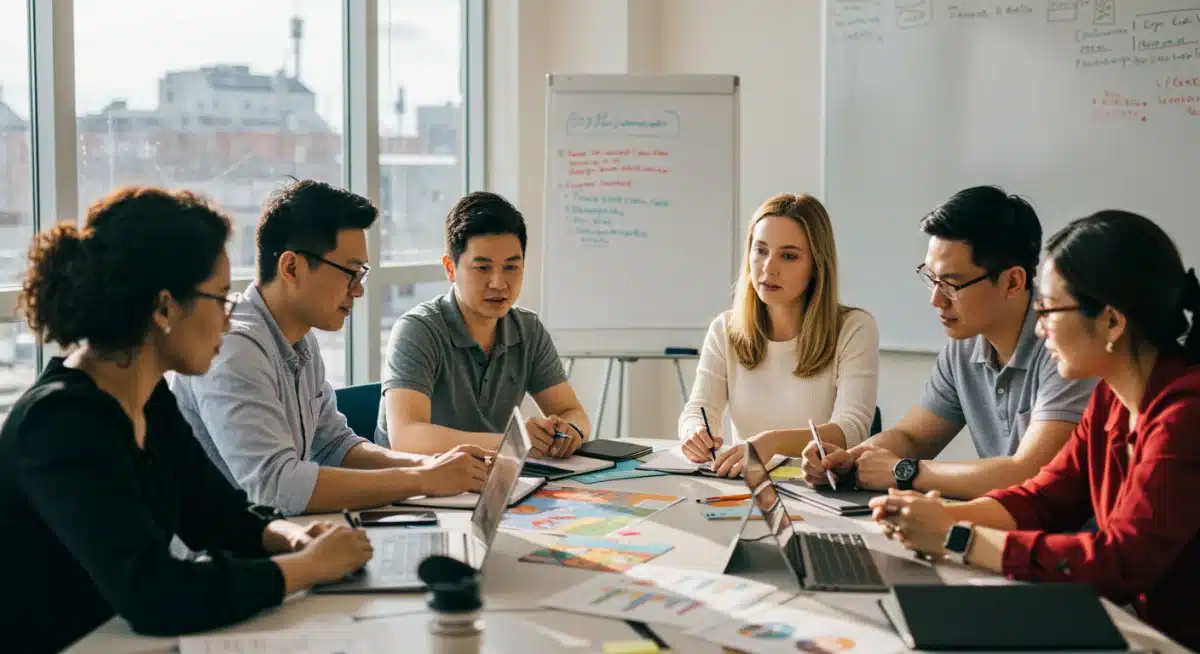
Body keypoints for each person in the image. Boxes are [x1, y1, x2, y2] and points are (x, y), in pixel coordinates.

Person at [0, 188, 373, 654]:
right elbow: (157, 594)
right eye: (220, 298)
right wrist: (310, 566)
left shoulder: (148, 397)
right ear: (163, 308)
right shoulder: (61, 425)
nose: (229, 320)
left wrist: (292, 536)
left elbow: (217, 515)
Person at [870, 210, 1200, 650]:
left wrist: (956, 537)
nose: (1039, 328)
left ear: (1112, 322)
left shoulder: (1186, 413)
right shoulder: (1110, 399)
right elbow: (1044, 497)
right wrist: (936, 516)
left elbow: (1119, 561)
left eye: (1047, 310)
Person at [172, 180, 489, 517]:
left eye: (362, 274)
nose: (358, 291)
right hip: (220, 557)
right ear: (292, 268)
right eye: (350, 273)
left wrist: (439, 466)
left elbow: (335, 446)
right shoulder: (235, 346)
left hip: (276, 537)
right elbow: (274, 487)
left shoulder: (300, 339)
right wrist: (423, 478)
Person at [801, 186, 1096, 499]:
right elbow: (913, 437)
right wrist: (850, 460)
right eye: (932, 279)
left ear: (1012, 281)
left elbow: (1030, 472)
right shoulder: (965, 343)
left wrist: (908, 472)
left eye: (952, 284)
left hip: (1069, 538)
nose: (936, 300)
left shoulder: (1065, 346)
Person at [678, 193, 880, 477]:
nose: (768, 267)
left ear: (816, 265)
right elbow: (698, 409)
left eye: (788, 256)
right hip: (749, 490)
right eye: (760, 250)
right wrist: (694, 432)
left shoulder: (854, 328)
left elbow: (852, 429)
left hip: (819, 491)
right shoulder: (725, 329)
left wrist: (773, 442)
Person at [379, 191, 591, 458]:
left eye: (511, 267)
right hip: (418, 489)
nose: (498, 283)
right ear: (450, 268)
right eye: (482, 268)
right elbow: (407, 436)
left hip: (492, 483)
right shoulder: (417, 330)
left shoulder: (527, 329)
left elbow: (572, 412)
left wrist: (569, 431)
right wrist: (511, 442)